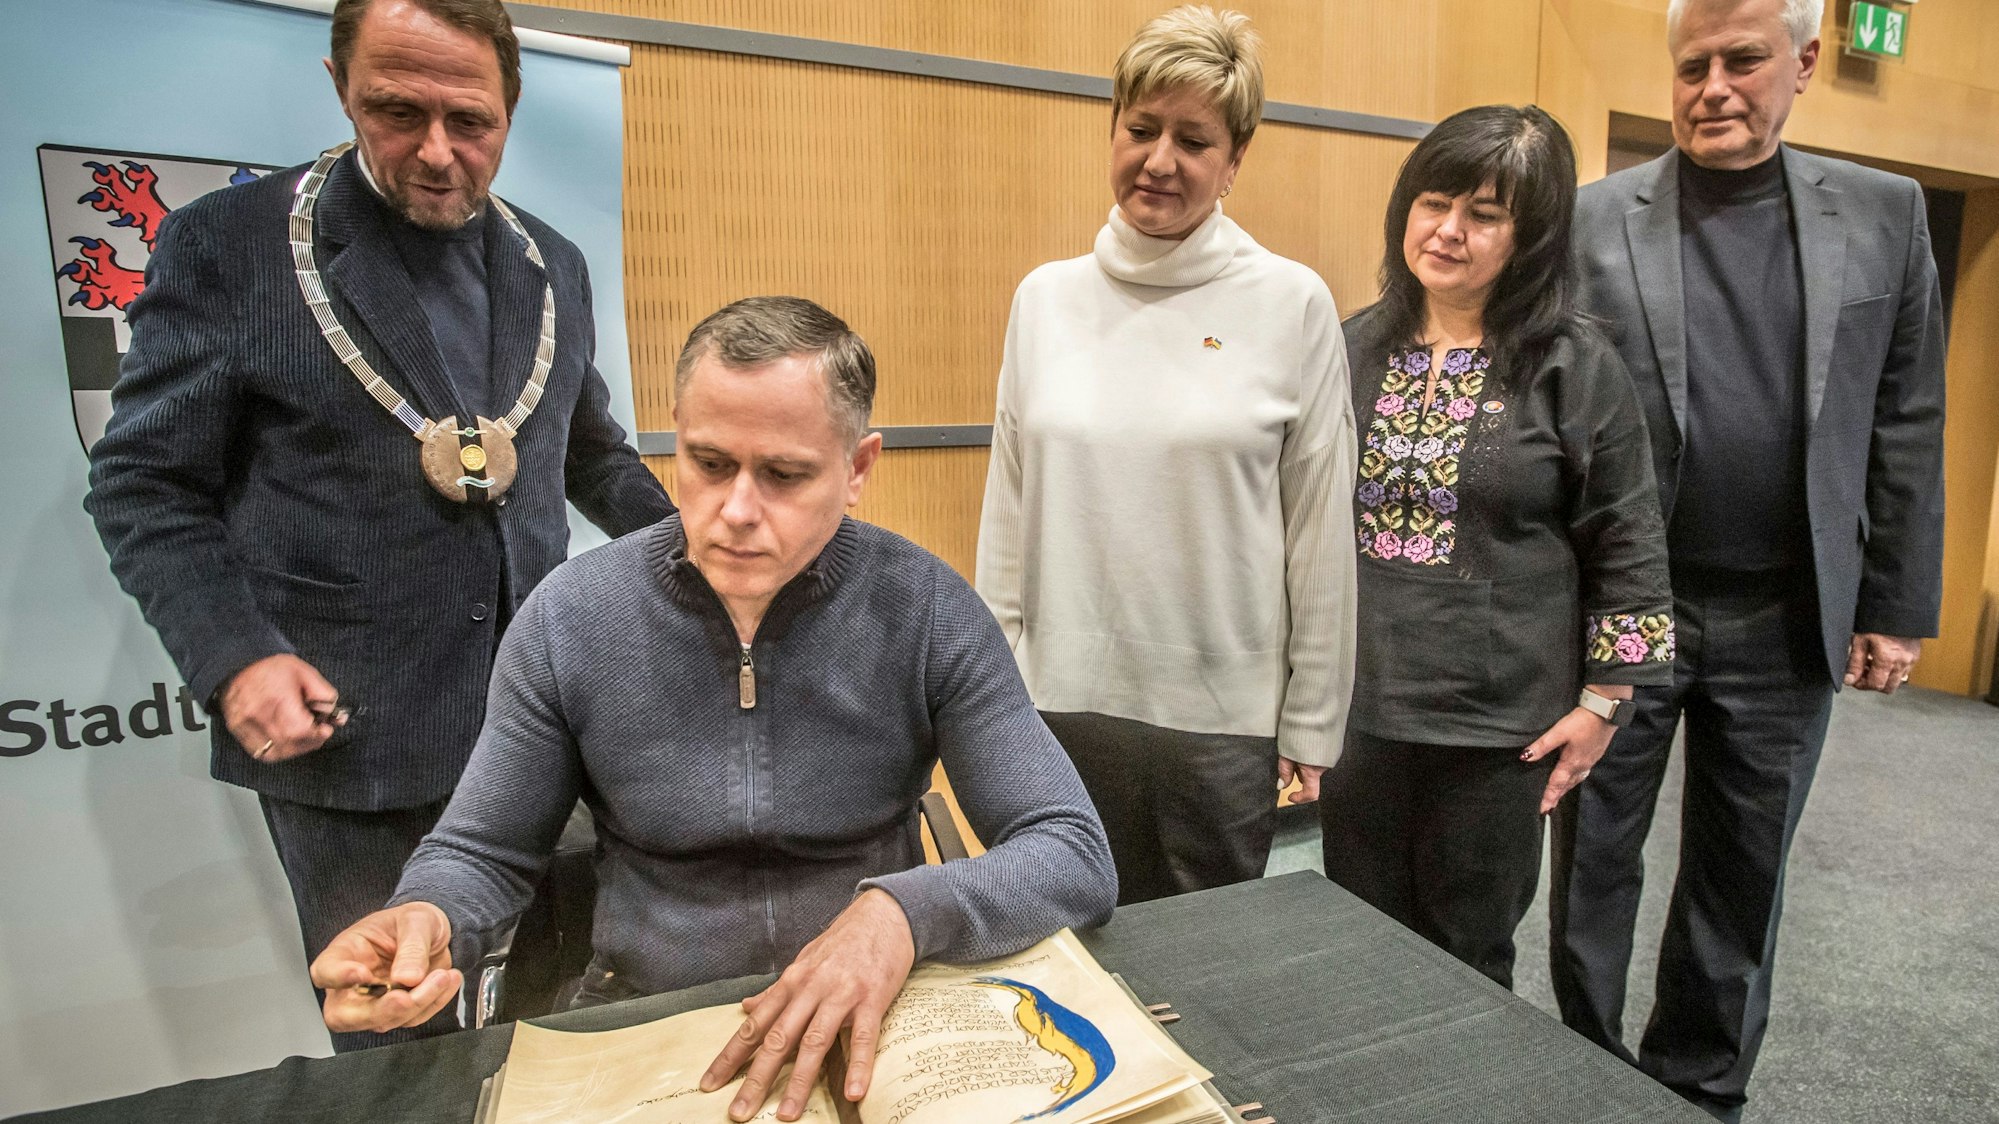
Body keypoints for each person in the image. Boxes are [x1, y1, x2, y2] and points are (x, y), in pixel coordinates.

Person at [308, 297, 1117, 1124]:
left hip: (875, 1003)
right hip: (650, 1010)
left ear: (858, 468)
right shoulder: (571, 618)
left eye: (784, 475)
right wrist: (426, 915)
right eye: (708, 463)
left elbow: (1069, 850)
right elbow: (484, 851)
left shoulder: (926, 609)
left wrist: (903, 913)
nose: (735, 510)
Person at [82, 0, 673, 1051]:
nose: (438, 152)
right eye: (399, 112)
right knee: (402, 1051)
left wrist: (708, 550)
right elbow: (143, 483)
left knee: (561, 1024)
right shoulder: (229, 246)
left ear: (511, 107)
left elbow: (589, 457)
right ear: (340, 88)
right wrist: (235, 654)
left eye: (470, 121)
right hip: (353, 746)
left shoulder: (550, 264)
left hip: (542, 732)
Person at [1548, 1, 1947, 1118]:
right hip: (1628, 611)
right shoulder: (1592, 219)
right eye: (1692, 66)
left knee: (1743, 873)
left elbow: (1907, 417)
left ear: (1805, 62)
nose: (1712, 86)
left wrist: (1894, 602)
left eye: (1741, 61)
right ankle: (1584, 1071)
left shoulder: (1885, 213)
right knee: (1592, 860)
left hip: (1787, 613)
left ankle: (1698, 1092)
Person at [975, 5, 1356, 906]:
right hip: (1059, 705)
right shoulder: (1045, 299)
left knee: (1205, 965)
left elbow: (1317, 530)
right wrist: (991, 690)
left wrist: (1313, 717)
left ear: (1234, 160)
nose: (1159, 160)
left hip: (1218, 724)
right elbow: (1009, 508)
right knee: (1069, 945)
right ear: (1111, 128)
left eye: (1193, 140)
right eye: (1141, 129)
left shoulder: (1291, 303)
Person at [1317, 106, 1673, 990]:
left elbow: (1627, 536)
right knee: (1354, 945)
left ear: (1531, 237)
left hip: (1501, 732)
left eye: (1483, 215)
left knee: (1467, 959)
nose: (1447, 230)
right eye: (1433, 203)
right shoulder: (1348, 347)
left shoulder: (1574, 364)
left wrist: (1604, 704)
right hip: (1362, 714)